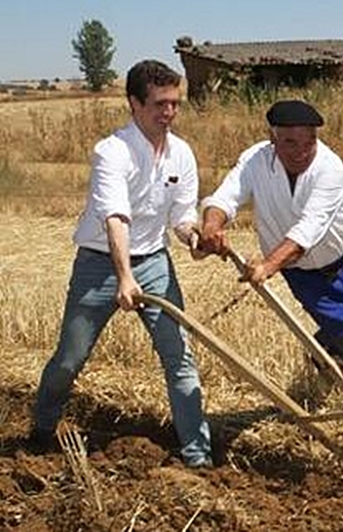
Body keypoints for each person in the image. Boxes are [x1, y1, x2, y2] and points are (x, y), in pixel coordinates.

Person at [30, 60, 213, 468]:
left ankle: (198, 457)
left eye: (175, 104)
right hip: (99, 266)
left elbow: (181, 216)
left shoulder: (181, 153)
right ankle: (42, 428)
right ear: (134, 103)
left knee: (179, 357)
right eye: (160, 104)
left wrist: (193, 238)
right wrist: (124, 277)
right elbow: (116, 218)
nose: (169, 113)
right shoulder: (111, 152)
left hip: (154, 261)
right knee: (69, 359)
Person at [198, 99, 343, 404]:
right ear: (272, 139)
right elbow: (226, 198)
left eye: (308, 142)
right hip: (301, 273)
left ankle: (323, 352)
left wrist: (268, 265)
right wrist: (211, 225)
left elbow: (309, 228)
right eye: (289, 143)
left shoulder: (330, 166)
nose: (301, 151)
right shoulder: (255, 161)